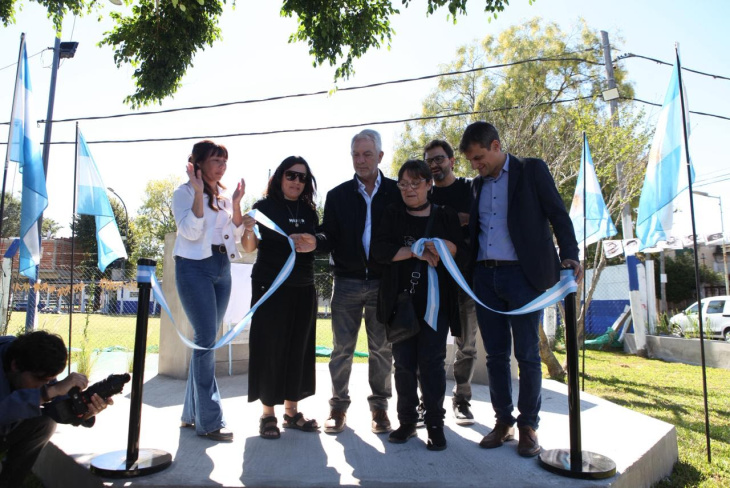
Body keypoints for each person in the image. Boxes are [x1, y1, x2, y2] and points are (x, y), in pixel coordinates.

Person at [460, 122, 583, 457]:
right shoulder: (476, 185)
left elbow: (558, 215)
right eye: (471, 161)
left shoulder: (532, 170)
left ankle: (528, 425)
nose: (476, 165)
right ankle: (503, 421)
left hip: (524, 278)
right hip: (485, 279)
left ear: (496, 145)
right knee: (496, 356)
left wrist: (570, 254)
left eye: (479, 157)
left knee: (527, 354)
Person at [372, 159, 467, 451]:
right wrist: (416, 251)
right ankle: (407, 422)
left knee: (432, 364)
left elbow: (460, 251)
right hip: (401, 304)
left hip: (436, 306)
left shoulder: (445, 215)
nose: (409, 189)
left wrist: (441, 246)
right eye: (403, 184)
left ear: (429, 184)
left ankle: (435, 424)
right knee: (403, 365)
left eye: (415, 183)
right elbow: (380, 251)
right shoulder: (392, 213)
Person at [315, 129, 402, 434]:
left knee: (382, 350)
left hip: (383, 283)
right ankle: (338, 407)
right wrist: (313, 240)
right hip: (346, 283)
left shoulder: (396, 192)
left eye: (367, 154)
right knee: (341, 350)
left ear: (380, 156)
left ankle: (380, 409)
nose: (361, 160)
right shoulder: (337, 195)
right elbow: (328, 235)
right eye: (356, 154)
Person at [242, 156, 320, 440]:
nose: (296, 181)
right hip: (270, 287)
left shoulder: (310, 212)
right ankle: (268, 414)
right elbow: (249, 247)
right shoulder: (263, 208)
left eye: (302, 177)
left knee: (298, 349)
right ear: (279, 177)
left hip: (303, 286)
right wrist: (248, 228)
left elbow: (315, 244)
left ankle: (291, 411)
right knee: (270, 348)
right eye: (291, 175)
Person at [172, 140, 245, 442]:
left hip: (222, 268)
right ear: (198, 163)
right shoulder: (183, 193)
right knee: (205, 341)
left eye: (224, 161)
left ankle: (191, 415)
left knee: (207, 342)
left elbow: (237, 236)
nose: (222, 166)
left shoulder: (225, 198)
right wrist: (199, 191)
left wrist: (237, 204)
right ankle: (210, 421)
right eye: (216, 160)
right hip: (193, 268)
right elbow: (190, 231)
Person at [0, 331, 111, 488]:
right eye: (40, 380)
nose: (43, 386)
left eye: (49, 380)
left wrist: (83, 410)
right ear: (15, 365)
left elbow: (57, 406)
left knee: (45, 423)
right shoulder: (26, 359)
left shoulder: (36, 363)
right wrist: (49, 392)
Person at [424, 139, 477, 426]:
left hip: (466, 280)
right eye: (429, 160)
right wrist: (458, 221)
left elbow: (482, 222)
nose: (434, 165)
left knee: (466, 345)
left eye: (439, 159)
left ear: (452, 160)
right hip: (433, 280)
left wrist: (461, 221)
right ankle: (427, 402)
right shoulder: (424, 193)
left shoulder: (471, 188)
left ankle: (462, 400)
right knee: (429, 346)